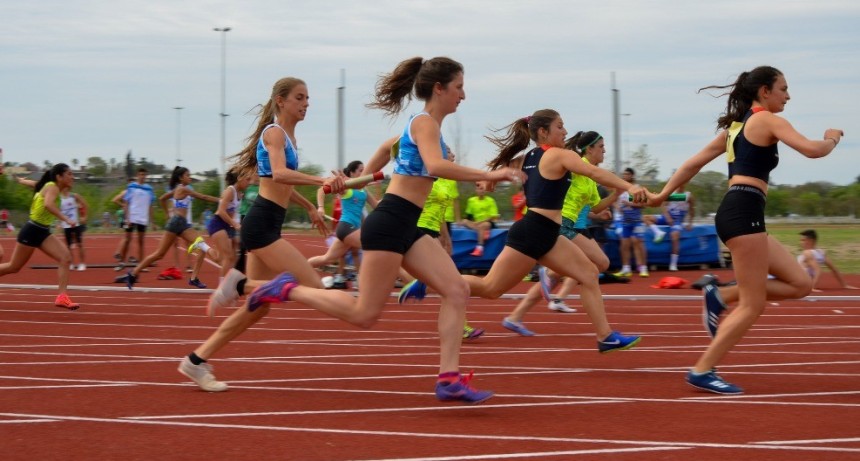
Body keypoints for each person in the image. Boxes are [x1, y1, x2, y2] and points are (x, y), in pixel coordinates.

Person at [195, 59, 522, 404]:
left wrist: (366, 176)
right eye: (459, 87)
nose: (463, 95)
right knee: (363, 314)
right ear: (439, 88)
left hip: (406, 221)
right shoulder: (424, 123)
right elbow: (437, 166)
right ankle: (284, 288)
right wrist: (492, 174)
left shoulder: (427, 128)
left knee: (456, 290)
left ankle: (449, 379)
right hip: (391, 221)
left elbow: (389, 150)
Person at [655, 65, 843, 394]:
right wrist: (832, 137)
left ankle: (722, 293)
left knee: (801, 284)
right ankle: (702, 369)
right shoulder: (767, 120)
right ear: (764, 92)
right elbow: (813, 150)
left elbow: (691, 164)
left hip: (740, 212)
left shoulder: (736, 129)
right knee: (752, 304)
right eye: (783, 88)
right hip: (744, 212)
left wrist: (661, 194)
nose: (788, 94)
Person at [405, 110, 650, 353]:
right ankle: (429, 282)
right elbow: (594, 172)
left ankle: (606, 336)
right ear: (543, 132)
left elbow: (506, 170)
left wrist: (491, 180)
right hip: (534, 232)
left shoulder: (529, 156)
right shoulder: (558, 155)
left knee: (587, 273)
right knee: (491, 288)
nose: (565, 132)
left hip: (545, 233)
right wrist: (630, 185)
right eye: (560, 126)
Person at [178, 76, 344, 390]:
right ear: (281, 100)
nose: (305, 103)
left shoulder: (288, 137)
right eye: (299, 97)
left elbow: (277, 181)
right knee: (313, 287)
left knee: (257, 307)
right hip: (262, 225)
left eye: (307, 98)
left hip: (269, 221)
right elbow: (280, 173)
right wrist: (321, 179)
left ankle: (195, 361)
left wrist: (309, 206)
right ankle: (241, 283)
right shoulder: (274, 133)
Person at [503, 131, 621, 333]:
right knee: (600, 263)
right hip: (563, 222)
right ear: (589, 149)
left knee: (571, 272)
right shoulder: (575, 165)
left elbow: (597, 207)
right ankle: (552, 275)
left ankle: (516, 317)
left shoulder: (590, 179)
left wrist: (617, 194)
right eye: (601, 146)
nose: (605, 150)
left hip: (577, 224)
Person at [119, 167, 221, 289]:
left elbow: (162, 199)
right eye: (187, 175)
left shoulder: (177, 189)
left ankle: (194, 278)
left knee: (201, 245)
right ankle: (133, 273)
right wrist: (221, 200)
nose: (190, 177)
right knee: (159, 254)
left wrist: (168, 213)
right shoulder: (184, 189)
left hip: (182, 223)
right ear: (181, 178)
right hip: (176, 223)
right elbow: (204, 197)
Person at [2, 164, 79, 309]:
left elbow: (34, 184)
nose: (72, 177)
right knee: (13, 267)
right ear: (59, 177)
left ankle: (62, 297)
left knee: (65, 258)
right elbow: (48, 204)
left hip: (42, 231)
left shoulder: (46, 186)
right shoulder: (53, 187)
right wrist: (66, 219)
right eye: (69, 174)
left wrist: (21, 181)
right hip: (32, 230)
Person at [310, 161, 378, 288]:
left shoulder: (364, 189)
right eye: (360, 170)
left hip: (353, 228)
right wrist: (320, 208)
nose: (363, 173)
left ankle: (296, 272)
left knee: (327, 258)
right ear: (352, 172)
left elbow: (376, 205)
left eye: (364, 170)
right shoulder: (346, 185)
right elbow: (321, 190)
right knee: (376, 248)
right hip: (347, 227)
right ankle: (366, 282)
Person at [206, 169, 250, 279]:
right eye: (247, 179)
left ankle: (201, 246)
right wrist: (235, 225)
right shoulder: (230, 191)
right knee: (228, 257)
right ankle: (223, 289)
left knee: (227, 257)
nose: (249, 182)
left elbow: (233, 211)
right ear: (239, 178)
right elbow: (221, 211)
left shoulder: (240, 193)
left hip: (227, 226)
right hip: (218, 224)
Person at [644, 184, 694, 271]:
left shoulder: (688, 196)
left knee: (675, 236)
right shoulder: (671, 194)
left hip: (677, 220)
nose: (680, 185)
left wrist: (690, 223)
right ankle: (658, 232)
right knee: (645, 218)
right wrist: (668, 217)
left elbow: (692, 210)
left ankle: (673, 264)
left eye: (682, 183)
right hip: (667, 217)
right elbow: (663, 205)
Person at [113, 169, 155, 270]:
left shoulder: (149, 189)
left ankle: (141, 265)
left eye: (144, 175)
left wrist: (153, 221)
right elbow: (127, 202)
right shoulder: (131, 187)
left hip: (142, 218)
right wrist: (127, 217)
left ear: (146, 176)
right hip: (132, 217)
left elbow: (150, 206)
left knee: (141, 241)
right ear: (137, 175)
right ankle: (121, 263)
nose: (142, 176)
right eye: (141, 174)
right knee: (127, 239)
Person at [613, 168, 651, 277]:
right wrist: (618, 207)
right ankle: (626, 268)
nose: (625, 176)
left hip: (637, 221)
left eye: (627, 174)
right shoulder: (620, 189)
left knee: (639, 243)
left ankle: (644, 268)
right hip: (625, 221)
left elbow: (644, 205)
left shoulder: (638, 189)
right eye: (624, 174)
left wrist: (630, 204)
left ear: (632, 176)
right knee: (624, 244)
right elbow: (614, 201)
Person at [458, 181, 499, 257]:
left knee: (483, 225)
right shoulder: (471, 200)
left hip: (488, 222)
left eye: (483, 189)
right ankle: (484, 232)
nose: (482, 191)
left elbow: (493, 216)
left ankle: (479, 247)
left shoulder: (490, 200)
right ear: (476, 190)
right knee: (464, 221)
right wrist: (465, 221)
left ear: (485, 190)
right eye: (480, 189)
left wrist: (479, 222)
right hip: (476, 223)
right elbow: (468, 215)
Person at [58, 185, 88, 271]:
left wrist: (84, 216)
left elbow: (85, 204)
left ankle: (82, 263)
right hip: (66, 225)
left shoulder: (74, 196)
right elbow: (57, 211)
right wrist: (59, 222)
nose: (64, 189)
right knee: (68, 246)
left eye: (66, 187)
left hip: (76, 224)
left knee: (79, 244)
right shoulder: (59, 198)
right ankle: (71, 263)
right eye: (63, 187)